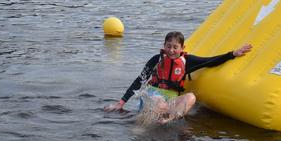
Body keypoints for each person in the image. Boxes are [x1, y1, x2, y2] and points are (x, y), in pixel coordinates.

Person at [104, 31, 252, 123]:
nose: (171, 50)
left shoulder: (187, 61)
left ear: (182, 48)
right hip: (152, 96)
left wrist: (232, 54)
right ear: (164, 45)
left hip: (170, 100)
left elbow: (210, 61)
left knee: (191, 98)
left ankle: (168, 120)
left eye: (175, 47)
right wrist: (121, 103)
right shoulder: (156, 59)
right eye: (168, 46)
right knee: (159, 103)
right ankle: (142, 126)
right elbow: (139, 80)